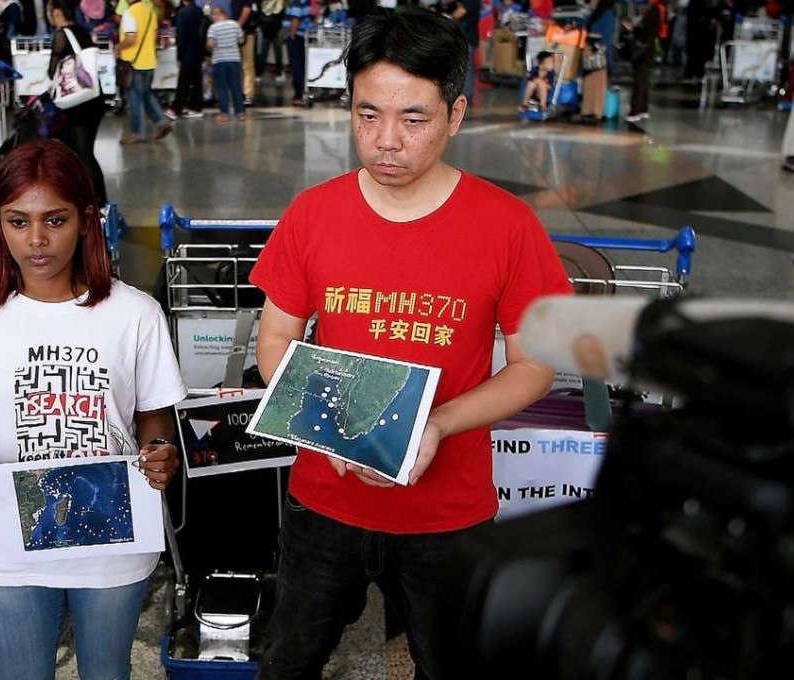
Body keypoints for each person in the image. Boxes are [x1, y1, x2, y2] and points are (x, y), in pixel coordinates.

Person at [248, 10, 572, 679]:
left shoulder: (507, 227)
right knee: (288, 661)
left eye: (413, 119)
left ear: (456, 115)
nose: (384, 141)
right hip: (323, 503)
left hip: (447, 515)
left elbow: (536, 364)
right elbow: (276, 336)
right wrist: (327, 432)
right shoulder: (313, 213)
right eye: (366, 115)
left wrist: (440, 423)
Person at [0, 139, 187, 680]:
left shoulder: (135, 314)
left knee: (107, 672)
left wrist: (160, 452)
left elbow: (152, 418)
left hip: (113, 537)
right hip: (7, 538)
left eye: (56, 220)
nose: (37, 240)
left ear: (88, 220)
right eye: (18, 222)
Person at [47, 0, 109, 205]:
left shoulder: (61, 35)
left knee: (82, 152)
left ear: (56, 12)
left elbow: (52, 71)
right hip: (93, 98)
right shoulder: (83, 32)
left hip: (77, 104)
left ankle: (94, 203)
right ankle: (99, 199)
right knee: (86, 151)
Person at [118, 0, 175, 144]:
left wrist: (118, 48)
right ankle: (162, 122)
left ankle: (137, 133)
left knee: (134, 99)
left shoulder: (130, 13)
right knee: (145, 93)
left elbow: (131, 38)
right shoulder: (150, 12)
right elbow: (155, 36)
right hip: (149, 60)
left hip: (133, 62)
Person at [166, 0, 206, 119]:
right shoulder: (199, 11)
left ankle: (177, 108)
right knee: (197, 80)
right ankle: (196, 106)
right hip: (198, 50)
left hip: (187, 51)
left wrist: (179, 56)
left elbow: (181, 36)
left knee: (184, 81)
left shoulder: (183, 13)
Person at [625, 0, 663, 123]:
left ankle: (635, 111)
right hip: (647, 50)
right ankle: (643, 109)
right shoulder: (654, 9)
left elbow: (646, 31)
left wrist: (634, 27)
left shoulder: (653, 10)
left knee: (639, 80)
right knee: (644, 80)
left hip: (644, 51)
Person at [207, 3, 246, 121]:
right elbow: (241, 40)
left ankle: (224, 114)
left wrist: (211, 47)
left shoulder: (213, 28)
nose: (213, 17)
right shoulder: (235, 25)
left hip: (219, 61)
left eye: (213, 15)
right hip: (234, 60)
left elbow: (210, 44)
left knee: (222, 87)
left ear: (218, 15)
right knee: (236, 87)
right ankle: (240, 113)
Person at [284, 0, 313, 106]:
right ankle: (302, 92)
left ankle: (298, 95)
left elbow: (295, 18)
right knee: (301, 65)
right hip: (303, 35)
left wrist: (292, 34)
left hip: (296, 36)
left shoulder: (296, 1)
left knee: (296, 66)